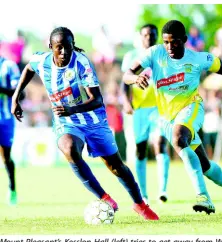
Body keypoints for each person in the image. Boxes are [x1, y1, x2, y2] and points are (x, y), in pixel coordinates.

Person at [11, 26, 159, 220]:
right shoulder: (42, 60)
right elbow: (29, 68)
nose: (64, 52)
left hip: (93, 119)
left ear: (74, 46)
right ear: (51, 47)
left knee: (115, 165)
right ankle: (105, 198)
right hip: (67, 122)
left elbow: (97, 99)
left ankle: (140, 204)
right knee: (69, 147)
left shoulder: (81, 63)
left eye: (68, 47)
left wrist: (70, 109)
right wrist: (15, 97)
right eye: (59, 48)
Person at [123, 20, 222, 215]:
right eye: (166, 42)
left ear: (185, 40)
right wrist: (135, 78)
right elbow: (127, 74)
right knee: (204, 165)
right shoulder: (155, 53)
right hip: (167, 119)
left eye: (175, 42)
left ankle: (203, 197)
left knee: (180, 138)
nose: (170, 47)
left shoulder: (197, 59)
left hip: (192, 108)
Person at [121, 24, 171, 204]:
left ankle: (163, 190)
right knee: (140, 150)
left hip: (159, 108)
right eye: (146, 35)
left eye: (152, 35)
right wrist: (126, 102)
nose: (149, 37)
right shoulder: (131, 57)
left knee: (159, 143)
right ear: (140, 36)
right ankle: (144, 194)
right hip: (139, 110)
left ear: (157, 36)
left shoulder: (163, 55)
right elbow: (124, 83)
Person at [0, 54, 21, 205]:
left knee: (6, 157)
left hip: (5, 118)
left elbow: (18, 91)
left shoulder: (9, 65)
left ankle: (12, 187)